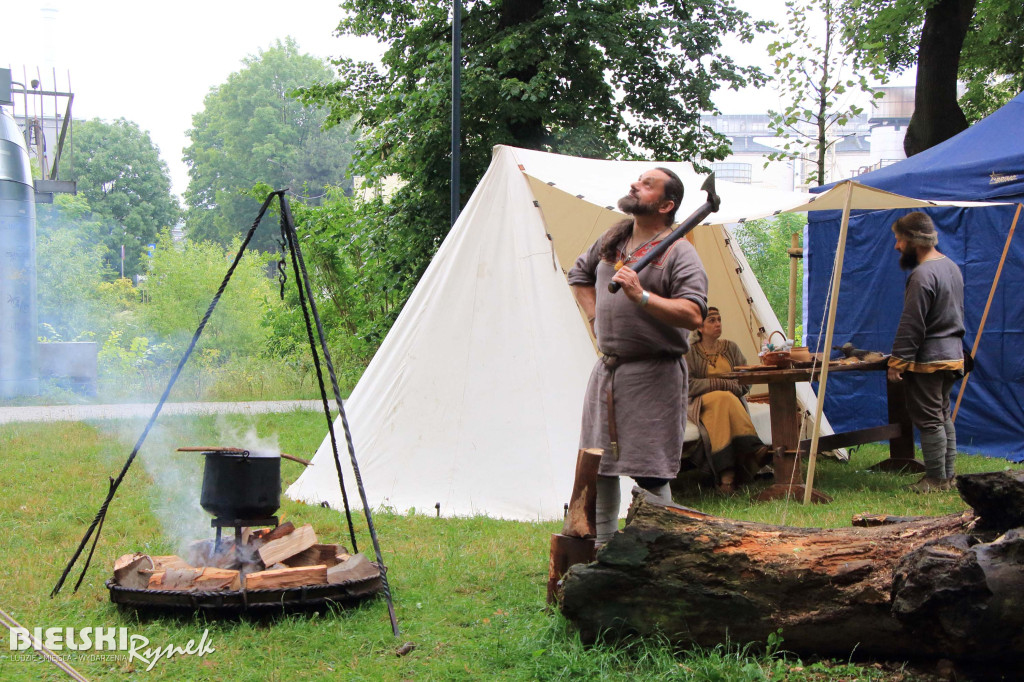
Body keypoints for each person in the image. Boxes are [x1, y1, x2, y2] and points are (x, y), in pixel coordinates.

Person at [567, 167, 708, 545]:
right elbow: (578, 275)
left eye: (647, 184)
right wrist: (596, 316)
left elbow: (695, 313)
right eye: (638, 180)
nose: (635, 185)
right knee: (600, 466)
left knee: (650, 469)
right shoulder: (613, 240)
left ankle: (657, 555)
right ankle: (603, 551)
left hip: (654, 375)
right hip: (609, 372)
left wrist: (641, 296)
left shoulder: (680, 252)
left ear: (666, 204)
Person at [886, 211, 965, 493]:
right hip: (952, 354)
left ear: (913, 241)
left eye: (899, 239)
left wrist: (898, 362)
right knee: (942, 415)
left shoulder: (922, 274)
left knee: (930, 419)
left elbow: (913, 323)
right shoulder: (951, 267)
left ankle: (935, 479)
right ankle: (948, 477)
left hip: (930, 359)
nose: (897, 246)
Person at [684, 307, 770, 493]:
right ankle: (753, 448)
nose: (718, 324)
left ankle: (727, 479)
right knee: (724, 396)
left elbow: (746, 379)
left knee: (723, 409)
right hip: (699, 403)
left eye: (719, 319)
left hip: (726, 403)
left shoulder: (731, 348)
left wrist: (733, 387)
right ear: (700, 326)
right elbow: (688, 385)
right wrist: (723, 384)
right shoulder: (690, 353)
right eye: (712, 320)